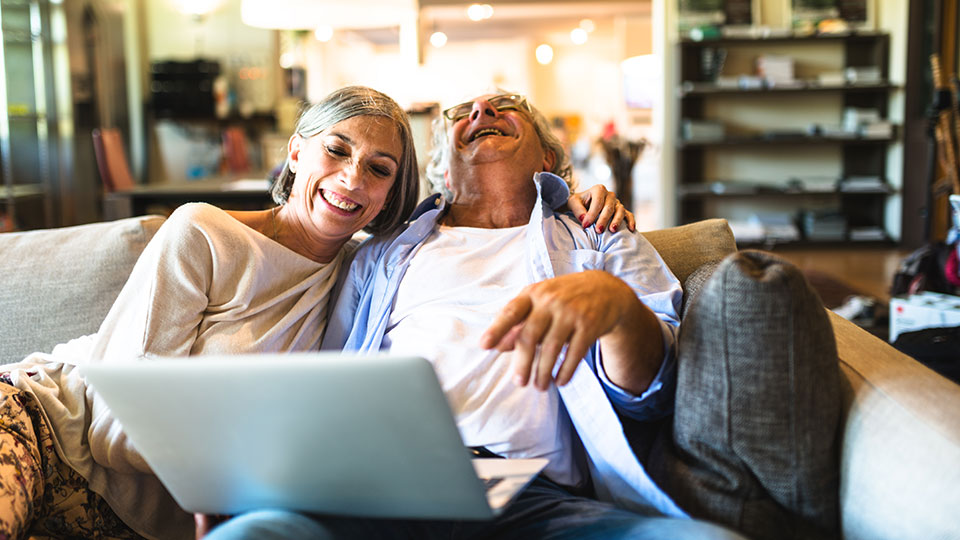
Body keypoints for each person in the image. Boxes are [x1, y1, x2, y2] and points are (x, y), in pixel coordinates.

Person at [0, 85, 629, 540]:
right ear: (296, 153)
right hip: (49, 416)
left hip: (152, 510)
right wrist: (236, 479)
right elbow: (113, 414)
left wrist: (576, 203)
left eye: (378, 169)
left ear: (391, 196)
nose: (353, 179)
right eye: (336, 151)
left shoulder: (367, 268)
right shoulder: (206, 233)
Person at [203, 92, 750, 540]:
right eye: (462, 114)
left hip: (537, 500)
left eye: (506, 106)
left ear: (546, 160)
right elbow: (324, 384)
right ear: (439, 166)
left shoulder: (601, 239)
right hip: (384, 486)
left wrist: (618, 308)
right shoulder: (381, 254)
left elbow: (653, 394)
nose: (482, 113)